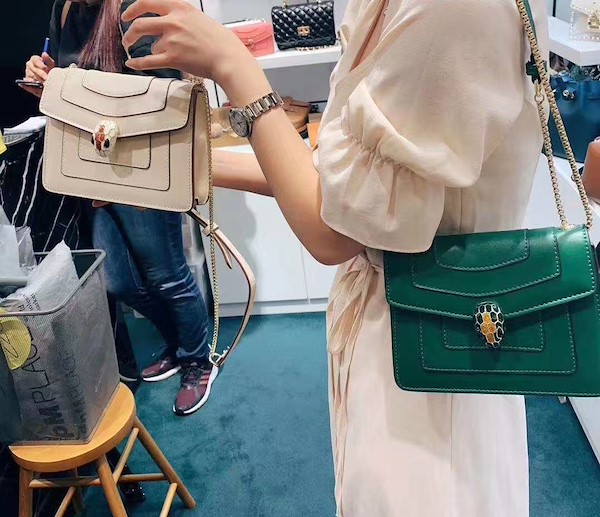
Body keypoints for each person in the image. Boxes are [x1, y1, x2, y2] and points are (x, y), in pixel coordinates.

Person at [123, 0, 549, 514]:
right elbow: (342, 190)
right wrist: (183, 167)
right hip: (404, 330)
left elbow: (331, 234)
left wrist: (234, 66)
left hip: (432, 357)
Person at [22, 0, 217, 417]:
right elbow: (66, 79)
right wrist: (47, 76)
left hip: (139, 165)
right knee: (118, 282)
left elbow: (166, 94)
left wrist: (82, 90)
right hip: (93, 166)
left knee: (167, 276)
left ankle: (198, 360)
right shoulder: (64, 8)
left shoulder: (132, 8)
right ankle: (179, 344)